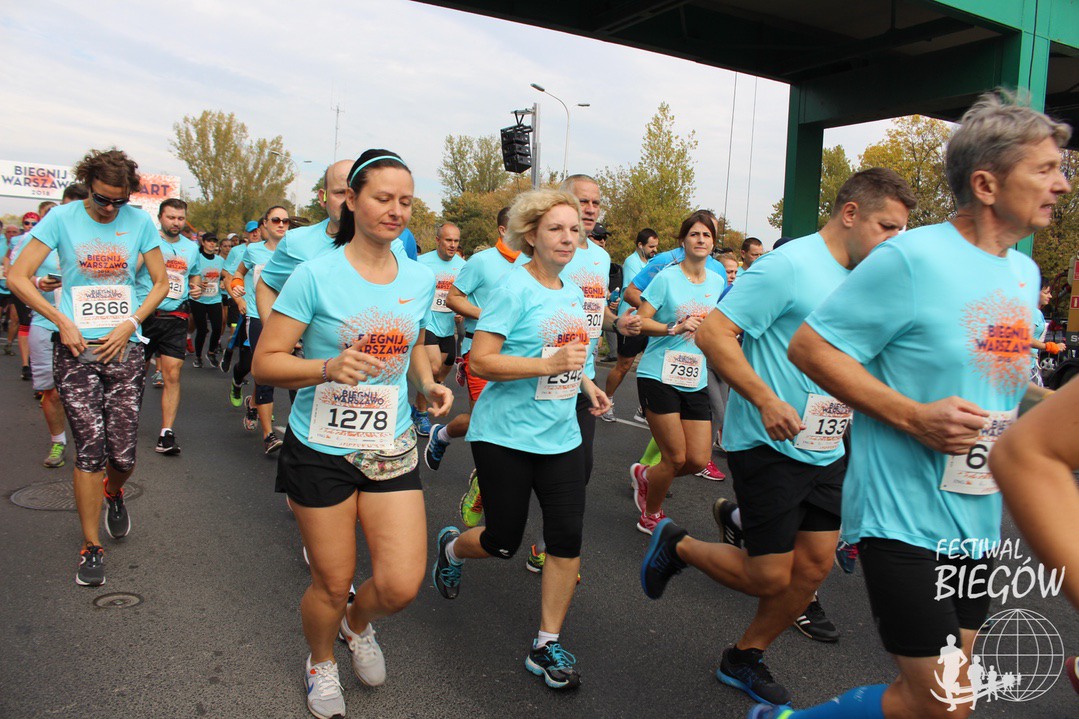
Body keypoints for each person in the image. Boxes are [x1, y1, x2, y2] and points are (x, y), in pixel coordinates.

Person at [766, 90, 1069, 719]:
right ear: (985, 184)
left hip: (978, 524)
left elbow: (1003, 384)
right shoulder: (911, 258)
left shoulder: (1024, 274)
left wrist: (1055, 412)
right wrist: (913, 416)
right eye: (1045, 169)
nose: (1061, 185)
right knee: (945, 704)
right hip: (902, 519)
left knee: (939, 704)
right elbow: (810, 348)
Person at [640, 169, 915, 709]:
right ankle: (678, 544)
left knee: (811, 570)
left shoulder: (870, 278)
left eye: (900, 231)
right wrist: (765, 399)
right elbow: (716, 334)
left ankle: (745, 655)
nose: (893, 241)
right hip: (768, 440)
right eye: (887, 226)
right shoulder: (788, 266)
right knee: (770, 575)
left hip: (827, 442)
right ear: (851, 213)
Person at [253, 149, 452, 719]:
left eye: (405, 201)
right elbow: (266, 361)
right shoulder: (316, 274)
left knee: (401, 584)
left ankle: (356, 624)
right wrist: (326, 367)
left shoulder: (419, 277)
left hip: (389, 444)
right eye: (383, 198)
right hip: (321, 447)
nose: (396, 210)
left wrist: (426, 384)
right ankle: (321, 661)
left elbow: (413, 342)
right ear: (353, 201)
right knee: (332, 579)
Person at [430, 188, 610, 691]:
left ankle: (545, 644)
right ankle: (452, 549)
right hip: (505, 436)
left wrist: (588, 384)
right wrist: (546, 366)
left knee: (566, 538)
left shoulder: (571, 290)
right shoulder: (512, 287)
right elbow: (482, 361)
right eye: (556, 229)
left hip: (561, 435)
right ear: (531, 234)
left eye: (574, 229)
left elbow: (569, 349)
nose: (568, 238)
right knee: (503, 541)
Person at [7, 149, 167, 587]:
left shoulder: (139, 222)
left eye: (119, 201)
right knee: (90, 450)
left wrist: (131, 321)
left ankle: (113, 492)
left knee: (124, 454)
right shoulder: (61, 219)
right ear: (88, 186)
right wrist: (60, 320)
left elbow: (160, 282)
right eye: (101, 199)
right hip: (76, 349)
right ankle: (91, 544)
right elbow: (17, 276)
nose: (110, 209)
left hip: (124, 347)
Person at [630, 211, 725, 533]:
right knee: (674, 457)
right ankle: (651, 513)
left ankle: (646, 475)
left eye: (707, 235)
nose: (700, 240)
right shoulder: (667, 278)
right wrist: (674, 327)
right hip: (658, 374)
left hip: (694, 377)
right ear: (683, 240)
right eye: (694, 234)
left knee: (696, 459)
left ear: (713, 242)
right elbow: (641, 321)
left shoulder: (717, 281)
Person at [10, 183, 88, 466]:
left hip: (86, 326)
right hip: (45, 322)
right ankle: (58, 442)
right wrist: (37, 282)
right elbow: (15, 275)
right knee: (51, 391)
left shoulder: (96, 237)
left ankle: (89, 446)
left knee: (87, 392)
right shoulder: (38, 236)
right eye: (69, 207)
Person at [990, 376, 1079, 609]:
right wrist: (915, 415)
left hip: (980, 516)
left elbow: (1008, 379)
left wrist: (1046, 397)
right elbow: (1028, 450)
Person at [136, 198, 202, 455]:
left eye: (180, 218)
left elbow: (194, 273)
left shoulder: (191, 248)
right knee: (135, 374)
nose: (176, 222)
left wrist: (195, 286)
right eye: (171, 217)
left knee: (172, 374)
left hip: (176, 317)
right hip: (145, 315)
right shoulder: (148, 240)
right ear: (160, 218)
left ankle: (166, 433)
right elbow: (131, 271)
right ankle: (126, 420)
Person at [233, 207, 288, 454]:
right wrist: (237, 286)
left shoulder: (295, 251)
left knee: (290, 378)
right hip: (257, 316)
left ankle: (253, 402)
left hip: (288, 319)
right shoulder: (254, 250)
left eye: (286, 221)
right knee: (265, 373)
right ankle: (268, 436)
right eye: (276, 220)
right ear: (265, 223)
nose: (281, 224)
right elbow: (238, 273)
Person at [417, 221, 466, 451]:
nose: (453, 245)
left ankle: (423, 396)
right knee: (433, 367)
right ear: (438, 240)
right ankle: (420, 414)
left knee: (443, 370)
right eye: (448, 240)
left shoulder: (463, 266)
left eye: (456, 241)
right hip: (427, 324)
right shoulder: (422, 262)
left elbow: (465, 294)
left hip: (448, 327)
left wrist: (462, 309)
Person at [602, 227, 659, 420]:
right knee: (624, 366)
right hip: (631, 320)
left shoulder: (652, 263)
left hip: (649, 321)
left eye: (656, 247)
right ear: (640, 245)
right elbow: (635, 292)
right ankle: (606, 401)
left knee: (652, 366)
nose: (654, 250)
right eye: (651, 247)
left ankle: (644, 408)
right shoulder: (632, 262)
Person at [190, 232, 225, 368]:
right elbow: (189, 275)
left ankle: (211, 352)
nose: (212, 244)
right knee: (202, 329)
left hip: (214, 299)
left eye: (214, 241)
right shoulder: (197, 258)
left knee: (217, 328)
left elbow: (223, 276)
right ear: (203, 242)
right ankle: (198, 356)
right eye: (209, 241)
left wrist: (223, 282)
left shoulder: (220, 260)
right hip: (198, 299)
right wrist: (197, 283)